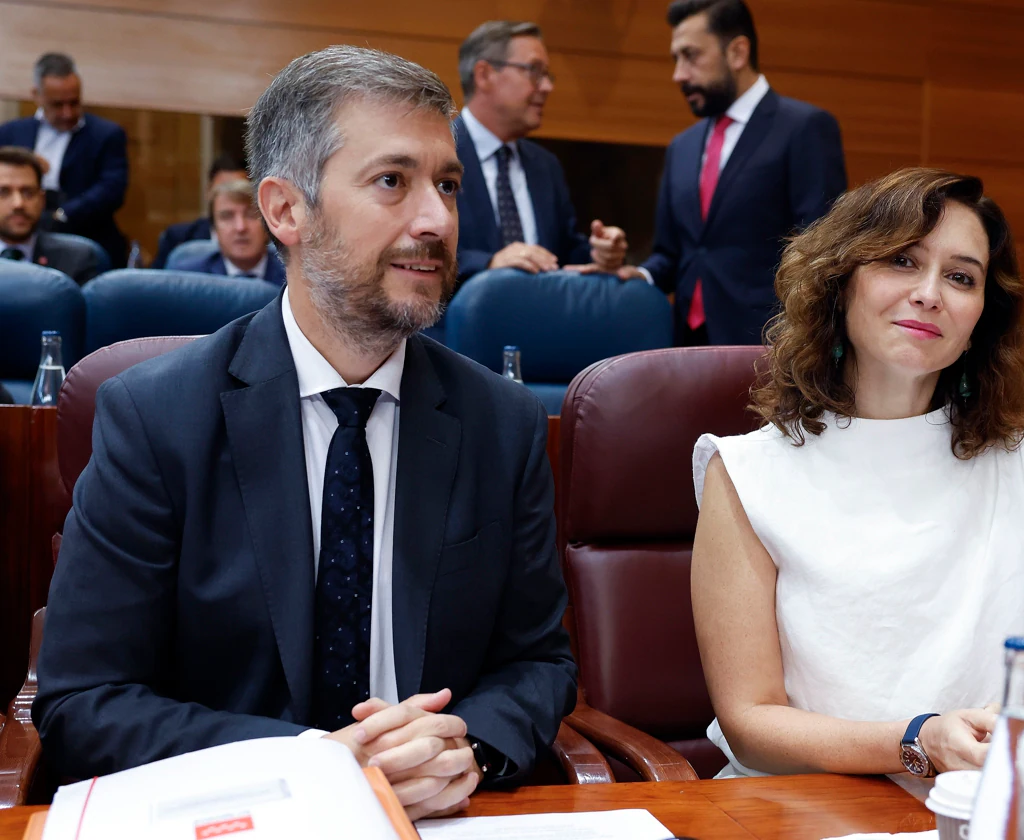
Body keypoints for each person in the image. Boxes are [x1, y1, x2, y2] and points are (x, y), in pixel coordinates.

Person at [33, 46, 576, 820]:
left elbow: (538, 662)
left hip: (434, 818)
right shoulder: (155, 419)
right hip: (235, 817)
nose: (437, 219)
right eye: (393, 181)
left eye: (447, 185)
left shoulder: (503, 422)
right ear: (285, 210)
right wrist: (310, 766)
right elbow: (85, 702)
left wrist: (466, 748)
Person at [690, 168, 1024, 781]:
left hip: (984, 793)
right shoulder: (746, 471)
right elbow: (750, 721)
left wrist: (1000, 740)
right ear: (839, 282)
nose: (930, 293)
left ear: (983, 312)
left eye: (960, 277)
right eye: (901, 261)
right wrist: (917, 743)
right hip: (809, 809)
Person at [621, 0, 846, 346]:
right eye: (675, 59)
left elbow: (820, 247)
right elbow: (672, 254)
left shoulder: (804, 128)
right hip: (685, 344)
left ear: (738, 52)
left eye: (691, 55)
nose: (678, 74)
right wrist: (638, 273)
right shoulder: (681, 146)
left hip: (769, 347)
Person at [454, 21, 627, 282]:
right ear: (484, 75)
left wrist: (601, 253)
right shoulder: (437, 152)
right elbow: (414, 252)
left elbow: (564, 252)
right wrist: (490, 263)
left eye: (547, 75)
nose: (547, 86)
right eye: (534, 71)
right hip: (457, 320)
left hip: (541, 318)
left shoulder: (545, 164)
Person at [0, 53, 129, 267]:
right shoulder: (11, 132)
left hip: (84, 234)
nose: (67, 113)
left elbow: (111, 188)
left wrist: (60, 216)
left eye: (74, 103)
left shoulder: (105, 134)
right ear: (37, 95)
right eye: (58, 104)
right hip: (15, 234)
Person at [0, 145, 103, 284]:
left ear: (42, 199)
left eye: (28, 193)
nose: (18, 204)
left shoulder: (76, 259)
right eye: (3, 192)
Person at [172, 179, 286, 286]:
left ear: (267, 223)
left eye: (251, 215)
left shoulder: (293, 276)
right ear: (214, 229)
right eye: (227, 217)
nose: (240, 227)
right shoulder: (186, 279)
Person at [152, 154, 249, 268]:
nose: (240, 227)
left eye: (240, 191)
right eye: (221, 190)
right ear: (208, 192)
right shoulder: (179, 241)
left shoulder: (270, 242)